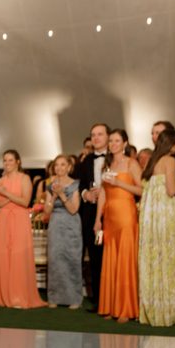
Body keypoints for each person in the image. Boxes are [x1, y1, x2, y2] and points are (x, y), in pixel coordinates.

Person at [138, 127, 175, 326]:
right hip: (167, 214)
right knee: (171, 258)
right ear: (171, 143)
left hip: (153, 216)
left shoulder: (152, 161)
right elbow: (171, 190)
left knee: (156, 258)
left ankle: (155, 307)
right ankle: (171, 309)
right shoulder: (169, 160)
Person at [0, 150, 46, 309]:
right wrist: (9, 199)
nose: (7, 163)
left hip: (20, 219)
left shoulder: (24, 178)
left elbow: (25, 202)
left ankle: (19, 296)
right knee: (4, 254)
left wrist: (4, 195)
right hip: (4, 219)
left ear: (18, 161)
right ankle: (2, 295)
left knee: (19, 256)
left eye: (10, 160)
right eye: (5, 160)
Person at [94, 129, 142, 323]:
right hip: (110, 216)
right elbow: (103, 194)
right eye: (111, 141)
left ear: (125, 143)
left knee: (125, 259)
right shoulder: (107, 164)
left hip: (126, 214)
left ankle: (126, 308)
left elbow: (141, 189)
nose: (113, 144)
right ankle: (110, 306)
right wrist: (98, 218)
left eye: (117, 141)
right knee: (110, 259)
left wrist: (118, 183)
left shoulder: (132, 163)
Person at [42, 155, 82, 309]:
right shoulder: (49, 185)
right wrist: (53, 195)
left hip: (71, 224)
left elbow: (73, 209)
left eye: (63, 165)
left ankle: (74, 298)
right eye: (57, 165)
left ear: (69, 167)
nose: (59, 168)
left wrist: (62, 194)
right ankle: (55, 297)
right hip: (55, 224)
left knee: (71, 258)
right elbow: (47, 210)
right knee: (55, 259)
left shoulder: (75, 184)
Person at [78, 123, 110, 311]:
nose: (96, 138)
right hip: (92, 215)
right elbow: (80, 185)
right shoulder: (87, 160)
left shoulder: (117, 159)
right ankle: (100, 301)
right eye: (93, 135)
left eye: (100, 134)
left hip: (114, 213)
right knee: (96, 257)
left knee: (114, 256)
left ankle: (117, 299)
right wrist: (86, 195)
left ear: (108, 136)